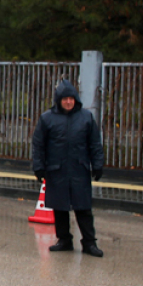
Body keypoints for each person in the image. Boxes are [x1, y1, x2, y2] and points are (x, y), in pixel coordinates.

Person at [32, 79, 105, 257]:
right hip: (56, 170)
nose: (68, 102)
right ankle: (64, 239)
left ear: (76, 99)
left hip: (79, 169)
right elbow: (38, 144)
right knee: (60, 207)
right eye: (65, 99)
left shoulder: (86, 117)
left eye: (71, 98)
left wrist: (97, 164)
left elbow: (95, 143)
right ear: (59, 100)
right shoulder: (47, 118)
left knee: (83, 208)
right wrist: (39, 167)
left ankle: (89, 243)